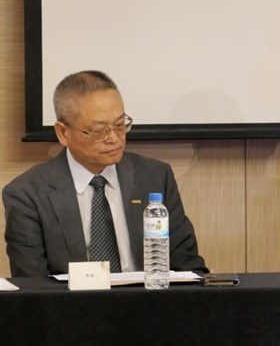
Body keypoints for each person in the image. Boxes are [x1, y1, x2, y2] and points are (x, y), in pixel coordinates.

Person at [3, 70, 207, 277]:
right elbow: (32, 287)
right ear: (63, 133)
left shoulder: (155, 177)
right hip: (70, 307)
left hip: (148, 304)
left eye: (120, 125)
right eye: (99, 131)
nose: (114, 138)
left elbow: (187, 266)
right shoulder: (27, 195)